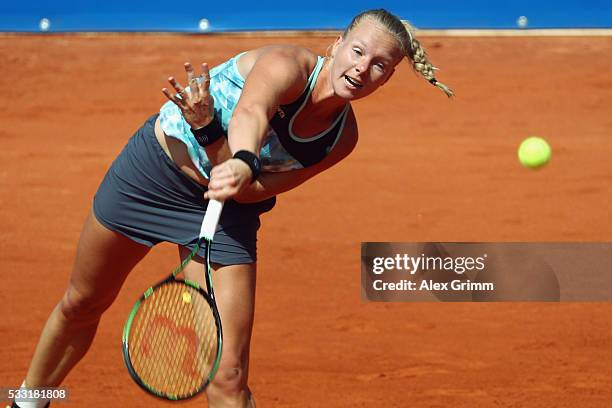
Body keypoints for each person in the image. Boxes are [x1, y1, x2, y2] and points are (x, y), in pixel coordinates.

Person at [11, 8, 452, 408]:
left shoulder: (341, 139)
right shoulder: (286, 64)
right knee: (82, 303)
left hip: (226, 214)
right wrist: (241, 159)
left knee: (228, 372)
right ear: (336, 45)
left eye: (379, 65)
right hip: (152, 175)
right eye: (357, 51)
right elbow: (251, 113)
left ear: (388, 76)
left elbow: (252, 193)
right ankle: (30, 399)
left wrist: (225, 157)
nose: (362, 68)